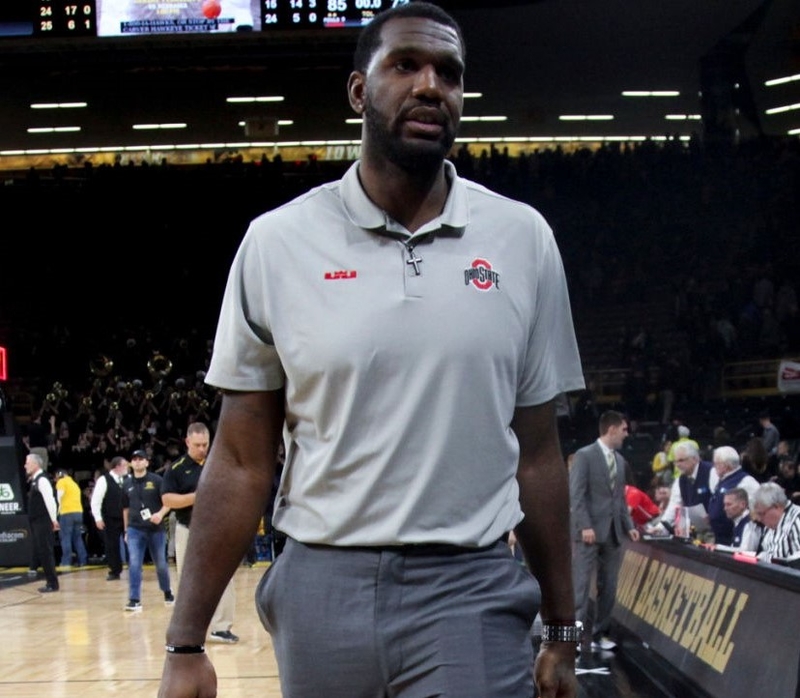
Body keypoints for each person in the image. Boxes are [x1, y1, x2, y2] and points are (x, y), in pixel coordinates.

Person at [158, 4, 584, 697]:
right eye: (405, 65)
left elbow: (538, 453)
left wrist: (562, 631)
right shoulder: (277, 242)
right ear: (359, 91)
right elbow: (239, 459)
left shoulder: (522, 239)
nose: (430, 85)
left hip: (469, 586)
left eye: (449, 73)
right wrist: (185, 643)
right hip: (323, 582)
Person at [160, 422, 238, 644]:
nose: (202, 449)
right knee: (188, 581)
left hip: (218, 529)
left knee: (225, 578)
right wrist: (197, 496)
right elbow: (167, 499)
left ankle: (221, 628)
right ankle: (190, 630)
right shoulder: (176, 469)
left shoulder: (219, 464)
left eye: (205, 444)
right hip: (189, 530)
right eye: (198, 445)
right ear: (187, 442)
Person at [570, 410, 640, 652]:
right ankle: (574, 637)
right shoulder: (584, 455)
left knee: (609, 585)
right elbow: (576, 495)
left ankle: (601, 634)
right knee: (580, 585)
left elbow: (619, 498)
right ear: (611, 429)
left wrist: (629, 526)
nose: (626, 434)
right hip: (588, 532)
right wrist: (584, 525)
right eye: (623, 429)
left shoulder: (620, 461)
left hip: (613, 532)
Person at [122, 449, 174, 612]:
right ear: (131, 463)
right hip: (135, 529)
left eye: (140, 459)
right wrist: (126, 530)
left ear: (147, 462)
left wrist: (160, 514)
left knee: (161, 564)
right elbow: (125, 509)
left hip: (155, 529)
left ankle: (167, 591)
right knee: (135, 563)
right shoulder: (127, 483)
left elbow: (168, 502)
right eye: (134, 459)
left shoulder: (157, 481)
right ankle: (134, 599)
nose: (137, 462)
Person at [653, 442, 714, 539]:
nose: (677, 465)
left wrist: (712, 515)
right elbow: (674, 506)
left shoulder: (712, 472)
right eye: (675, 461)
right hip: (696, 530)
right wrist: (661, 527)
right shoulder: (680, 480)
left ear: (694, 459)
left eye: (681, 460)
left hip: (715, 530)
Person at [706, 445, 760, 546]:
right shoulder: (721, 480)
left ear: (726, 465)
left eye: (717, 464)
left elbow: (759, 504)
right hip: (719, 538)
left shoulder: (746, 481)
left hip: (733, 536)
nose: (714, 467)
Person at [24, 453, 60, 592]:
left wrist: (53, 519)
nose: (25, 465)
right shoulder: (34, 480)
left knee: (46, 552)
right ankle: (50, 581)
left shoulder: (42, 480)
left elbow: (50, 500)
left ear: (36, 464)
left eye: (27, 462)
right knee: (42, 551)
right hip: (37, 522)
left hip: (43, 521)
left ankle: (52, 583)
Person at [90, 455, 129, 580]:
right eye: (125, 465)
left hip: (127, 517)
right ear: (117, 467)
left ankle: (135, 567)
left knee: (132, 543)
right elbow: (96, 500)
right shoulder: (104, 480)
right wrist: (97, 518)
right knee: (111, 545)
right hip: (110, 517)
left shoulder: (129, 478)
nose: (127, 468)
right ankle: (114, 570)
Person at [752, 482, 800, 562]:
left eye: (761, 514)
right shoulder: (770, 525)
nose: (759, 519)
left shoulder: (797, 520)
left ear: (776, 506)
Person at [54, 469, 89, 568]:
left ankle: (66, 561)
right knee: (77, 537)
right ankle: (83, 559)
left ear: (59, 475)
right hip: (78, 513)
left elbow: (59, 498)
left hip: (66, 512)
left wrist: (56, 514)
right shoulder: (74, 484)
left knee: (65, 537)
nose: (55, 479)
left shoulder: (62, 482)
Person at [722, 487, 762, 552]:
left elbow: (747, 552)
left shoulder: (750, 523)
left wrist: (719, 548)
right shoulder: (738, 522)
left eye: (729, 504)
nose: (725, 508)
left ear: (742, 504)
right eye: (725, 505)